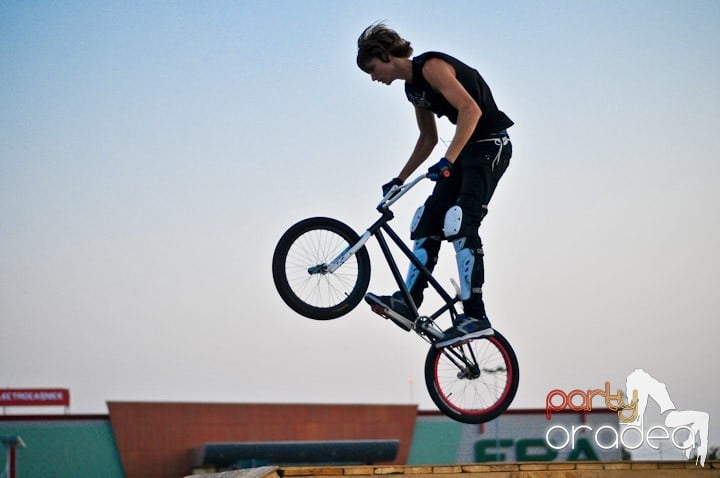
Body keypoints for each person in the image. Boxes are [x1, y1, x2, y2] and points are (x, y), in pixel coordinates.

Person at [356, 23, 514, 348]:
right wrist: (400, 178)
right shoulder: (412, 90)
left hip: (489, 145)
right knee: (426, 224)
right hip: (464, 150)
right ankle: (408, 302)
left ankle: (475, 316)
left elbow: (471, 109)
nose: (373, 78)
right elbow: (427, 138)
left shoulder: (431, 67)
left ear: (385, 55)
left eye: (372, 69)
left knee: (460, 221)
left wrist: (448, 160)